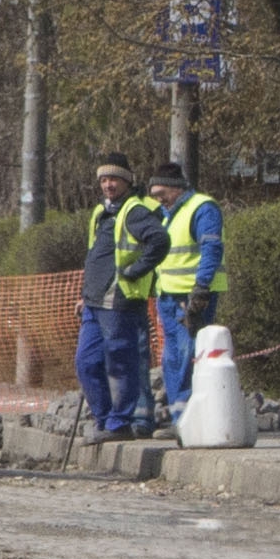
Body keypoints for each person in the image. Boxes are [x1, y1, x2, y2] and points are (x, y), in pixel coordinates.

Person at [78, 156, 165, 440]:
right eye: (103, 179)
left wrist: (134, 270)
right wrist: (84, 293)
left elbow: (160, 241)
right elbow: (96, 256)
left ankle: (119, 424)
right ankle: (104, 420)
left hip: (119, 300)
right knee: (86, 362)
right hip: (94, 301)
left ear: (128, 181)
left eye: (113, 179)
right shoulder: (101, 212)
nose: (108, 184)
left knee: (120, 361)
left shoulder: (135, 211)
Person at [146, 162, 223, 438]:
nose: (158, 198)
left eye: (162, 192)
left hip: (191, 298)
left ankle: (190, 420)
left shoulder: (202, 208)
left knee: (187, 354)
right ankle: (181, 419)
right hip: (169, 297)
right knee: (173, 357)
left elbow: (211, 247)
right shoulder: (168, 214)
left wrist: (201, 289)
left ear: (177, 188)